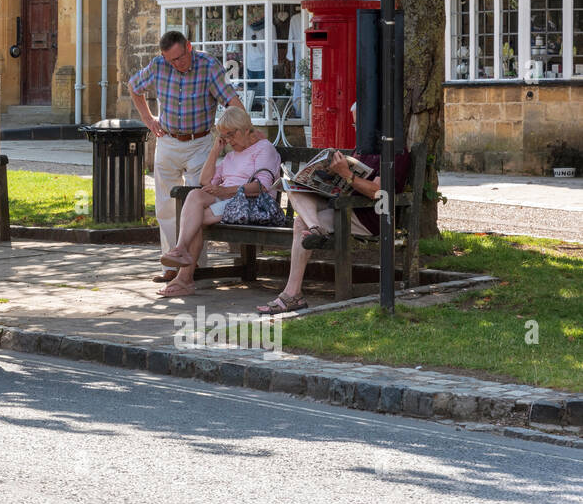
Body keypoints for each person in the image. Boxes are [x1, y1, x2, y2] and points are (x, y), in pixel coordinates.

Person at [257, 103, 411, 314]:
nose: (356, 129)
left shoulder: (394, 148)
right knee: (294, 189)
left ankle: (292, 295)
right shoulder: (364, 147)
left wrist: (346, 174)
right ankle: (315, 229)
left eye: (359, 124)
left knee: (299, 222)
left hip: (367, 216)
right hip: (344, 206)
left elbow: (378, 192)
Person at [128, 29, 244, 285]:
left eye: (180, 58)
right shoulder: (159, 65)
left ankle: (192, 267)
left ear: (189, 47)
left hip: (200, 142)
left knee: (196, 201)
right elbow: (134, 86)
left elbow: (231, 101)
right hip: (167, 140)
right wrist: (148, 119)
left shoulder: (208, 65)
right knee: (166, 206)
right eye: (171, 60)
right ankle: (170, 264)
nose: (177, 64)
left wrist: (246, 133)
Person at [158, 106, 281, 297]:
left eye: (231, 135)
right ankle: (181, 251)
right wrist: (216, 150)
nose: (229, 141)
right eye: (224, 137)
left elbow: (262, 186)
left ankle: (184, 278)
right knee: (194, 196)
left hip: (250, 204)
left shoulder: (264, 149)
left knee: (195, 219)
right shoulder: (231, 155)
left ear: (245, 130)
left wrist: (225, 190)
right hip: (228, 202)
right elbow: (205, 182)